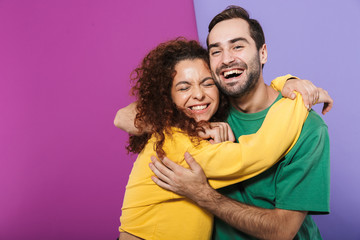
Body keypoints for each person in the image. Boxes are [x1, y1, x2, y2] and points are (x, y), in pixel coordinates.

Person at [115, 38, 331, 240]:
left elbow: (253, 88)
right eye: (183, 87)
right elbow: (257, 153)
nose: (198, 94)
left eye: (207, 83)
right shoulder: (176, 142)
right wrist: (299, 99)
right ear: (166, 98)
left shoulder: (200, 125)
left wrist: (286, 82)